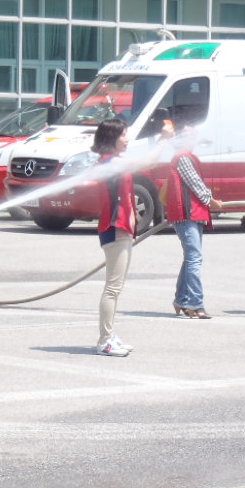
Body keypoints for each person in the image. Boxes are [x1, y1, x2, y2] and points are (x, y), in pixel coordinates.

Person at [162, 124, 222, 319]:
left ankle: (181, 300)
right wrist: (211, 200)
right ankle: (195, 303)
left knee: (191, 258)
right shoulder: (182, 157)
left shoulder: (185, 156)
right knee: (194, 258)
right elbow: (195, 183)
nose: (193, 137)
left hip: (193, 213)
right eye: (189, 134)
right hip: (187, 213)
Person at [93, 118, 137, 357]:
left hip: (120, 228)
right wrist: (163, 141)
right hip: (115, 229)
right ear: (112, 138)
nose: (127, 139)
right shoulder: (111, 163)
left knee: (115, 287)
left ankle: (109, 335)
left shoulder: (111, 162)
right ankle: (105, 341)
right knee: (113, 287)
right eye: (123, 135)